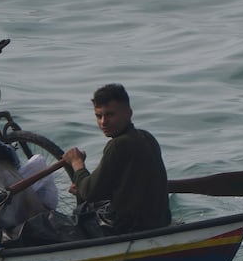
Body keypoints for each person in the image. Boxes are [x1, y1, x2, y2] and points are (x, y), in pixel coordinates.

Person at [62, 83, 172, 236]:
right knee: (84, 211)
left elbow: (89, 193)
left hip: (127, 228)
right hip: (157, 221)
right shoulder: (146, 137)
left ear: (128, 113)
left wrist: (77, 163)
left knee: (36, 227)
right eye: (98, 116)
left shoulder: (118, 145)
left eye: (110, 115)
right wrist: (81, 186)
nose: (103, 122)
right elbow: (119, 186)